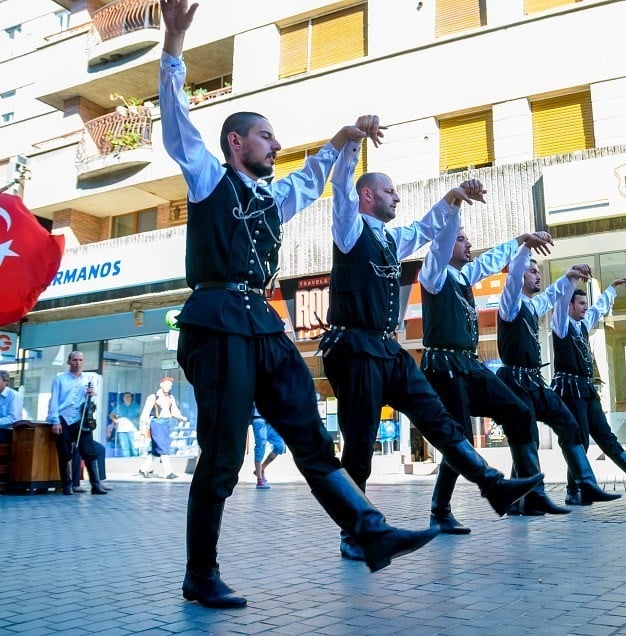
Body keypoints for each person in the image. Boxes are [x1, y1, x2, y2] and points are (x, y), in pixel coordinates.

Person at [160, 0, 445, 608]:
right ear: (236, 143)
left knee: (311, 434)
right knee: (223, 453)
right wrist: (174, 48)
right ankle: (199, 574)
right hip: (216, 323)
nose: (276, 143)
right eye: (266, 135)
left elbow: (314, 177)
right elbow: (176, 121)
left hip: (265, 324)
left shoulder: (272, 197)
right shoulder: (209, 177)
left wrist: (345, 137)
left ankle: (367, 531)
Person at [317, 125, 542, 558]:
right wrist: (352, 141)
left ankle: (493, 487)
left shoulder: (390, 239)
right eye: (390, 191)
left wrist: (455, 196)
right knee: (360, 444)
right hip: (355, 347)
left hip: (388, 348)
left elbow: (427, 228)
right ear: (368, 197)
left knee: (439, 420)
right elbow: (342, 185)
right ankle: (354, 534)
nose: (397, 198)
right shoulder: (349, 228)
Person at [419, 223, 558, 532]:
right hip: (443, 366)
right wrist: (453, 205)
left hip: (469, 365)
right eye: (460, 239)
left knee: (519, 412)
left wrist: (522, 244)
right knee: (461, 442)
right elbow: (442, 246)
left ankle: (531, 494)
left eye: (467, 238)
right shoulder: (434, 274)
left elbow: (492, 260)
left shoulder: (465, 276)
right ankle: (439, 511)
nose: (468, 244)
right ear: (442, 246)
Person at [497, 253, 620, 509]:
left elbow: (554, 295)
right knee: (526, 439)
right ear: (519, 276)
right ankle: (528, 498)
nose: (538, 275)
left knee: (567, 425)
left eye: (537, 271)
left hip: (533, 380)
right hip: (515, 380)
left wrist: (570, 278)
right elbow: (513, 277)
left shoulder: (532, 306)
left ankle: (584, 485)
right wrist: (524, 249)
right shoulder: (509, 304)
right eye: (532, 271)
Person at [552, 284, 626, 504]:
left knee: (607, 439)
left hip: (586, 390)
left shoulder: (581, 326)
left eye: (585, 304)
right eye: (580, 304)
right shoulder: (560, 325)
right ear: (569, 305)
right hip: (570, 391)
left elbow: (598, 309)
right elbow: (560, 304)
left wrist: (612, 289)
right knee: (580, 442)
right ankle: (572, 491)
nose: (585, 308)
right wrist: (571, 279)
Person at [46, 351, 108, 496]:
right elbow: (53, 401)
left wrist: (92, 394)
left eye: (80, 360)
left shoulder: (88, 379)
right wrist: (55, 421)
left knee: (89, 452)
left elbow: (93, 402)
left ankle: (95, 485)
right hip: (63, 419)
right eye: (75, 360)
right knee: (64, 453)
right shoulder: (59, 379)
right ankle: (67, 485)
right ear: (69, 362)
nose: (78, 363)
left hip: (81, 420)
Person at [138, 377, 187, 479]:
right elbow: (145, 413)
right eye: (167, 384)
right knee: (163, 448)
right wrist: (143, 427)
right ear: (161, 384)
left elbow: (174, 411)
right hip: (157, 424)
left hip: (166, 424)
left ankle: (143, 469)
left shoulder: (170, 397)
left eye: (170, 386)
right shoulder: (153, 397)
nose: (168, 387)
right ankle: (168, 472)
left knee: (157, 450)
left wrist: (181, 418)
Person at [251, 406, 286, 489]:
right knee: (260, 447)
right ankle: (259, 479)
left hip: (272, 421)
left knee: (280, 446)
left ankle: (261, 468)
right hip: (258, 420)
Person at [107, 392, 140, 457]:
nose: (127, 398)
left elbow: (142, 415)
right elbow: (111, 415)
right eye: (125, 397)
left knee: (134, 448)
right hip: (121, 430)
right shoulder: (120, 406)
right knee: (125, 448)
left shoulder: (137, 406)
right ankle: (127, 464)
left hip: (133, 430)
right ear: (123, 398)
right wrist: (115, 421)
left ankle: (135, 463)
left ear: (131, 398)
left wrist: (138, 420)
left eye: (129, 396)